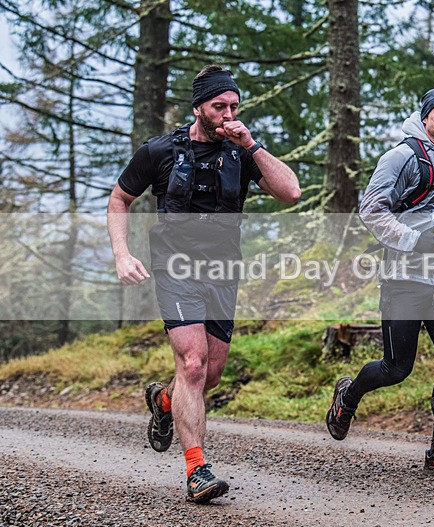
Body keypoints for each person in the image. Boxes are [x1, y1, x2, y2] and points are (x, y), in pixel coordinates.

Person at [107, 65, 301, 503]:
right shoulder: (159, 151)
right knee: (192, 364)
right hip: (175, 272)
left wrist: (250, 144)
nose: (228, 113)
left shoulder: (242, 151)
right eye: (219, 106)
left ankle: (165, 403)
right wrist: (122, 253)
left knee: (209, 375)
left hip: (222, 274)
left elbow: (291, 193)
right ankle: (197, 469)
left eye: (234, 105)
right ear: (199, 108)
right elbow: (120, 198)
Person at [326, 86, 434, 477]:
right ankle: (347, 396)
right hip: (404, 280)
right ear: (425, 118)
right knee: (396, 368)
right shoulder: (401, 157)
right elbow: (371, 210)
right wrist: (414, 241)